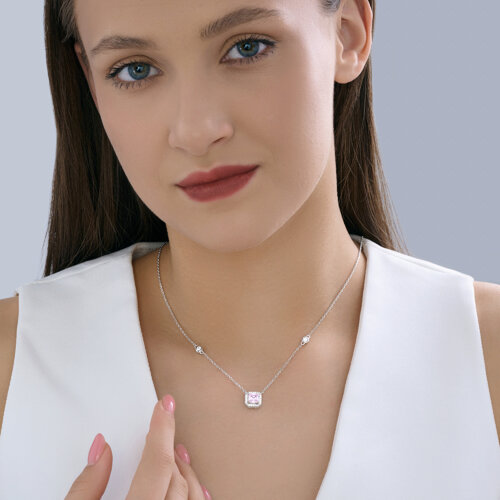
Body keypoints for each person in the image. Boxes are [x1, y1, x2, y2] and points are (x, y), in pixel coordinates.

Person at [0, 0, 498, 498]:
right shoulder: (12, 364)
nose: (196, 131)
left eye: (246, 47)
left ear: (348, 33)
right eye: (136, 70)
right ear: (90, 80)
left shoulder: (486, 354)